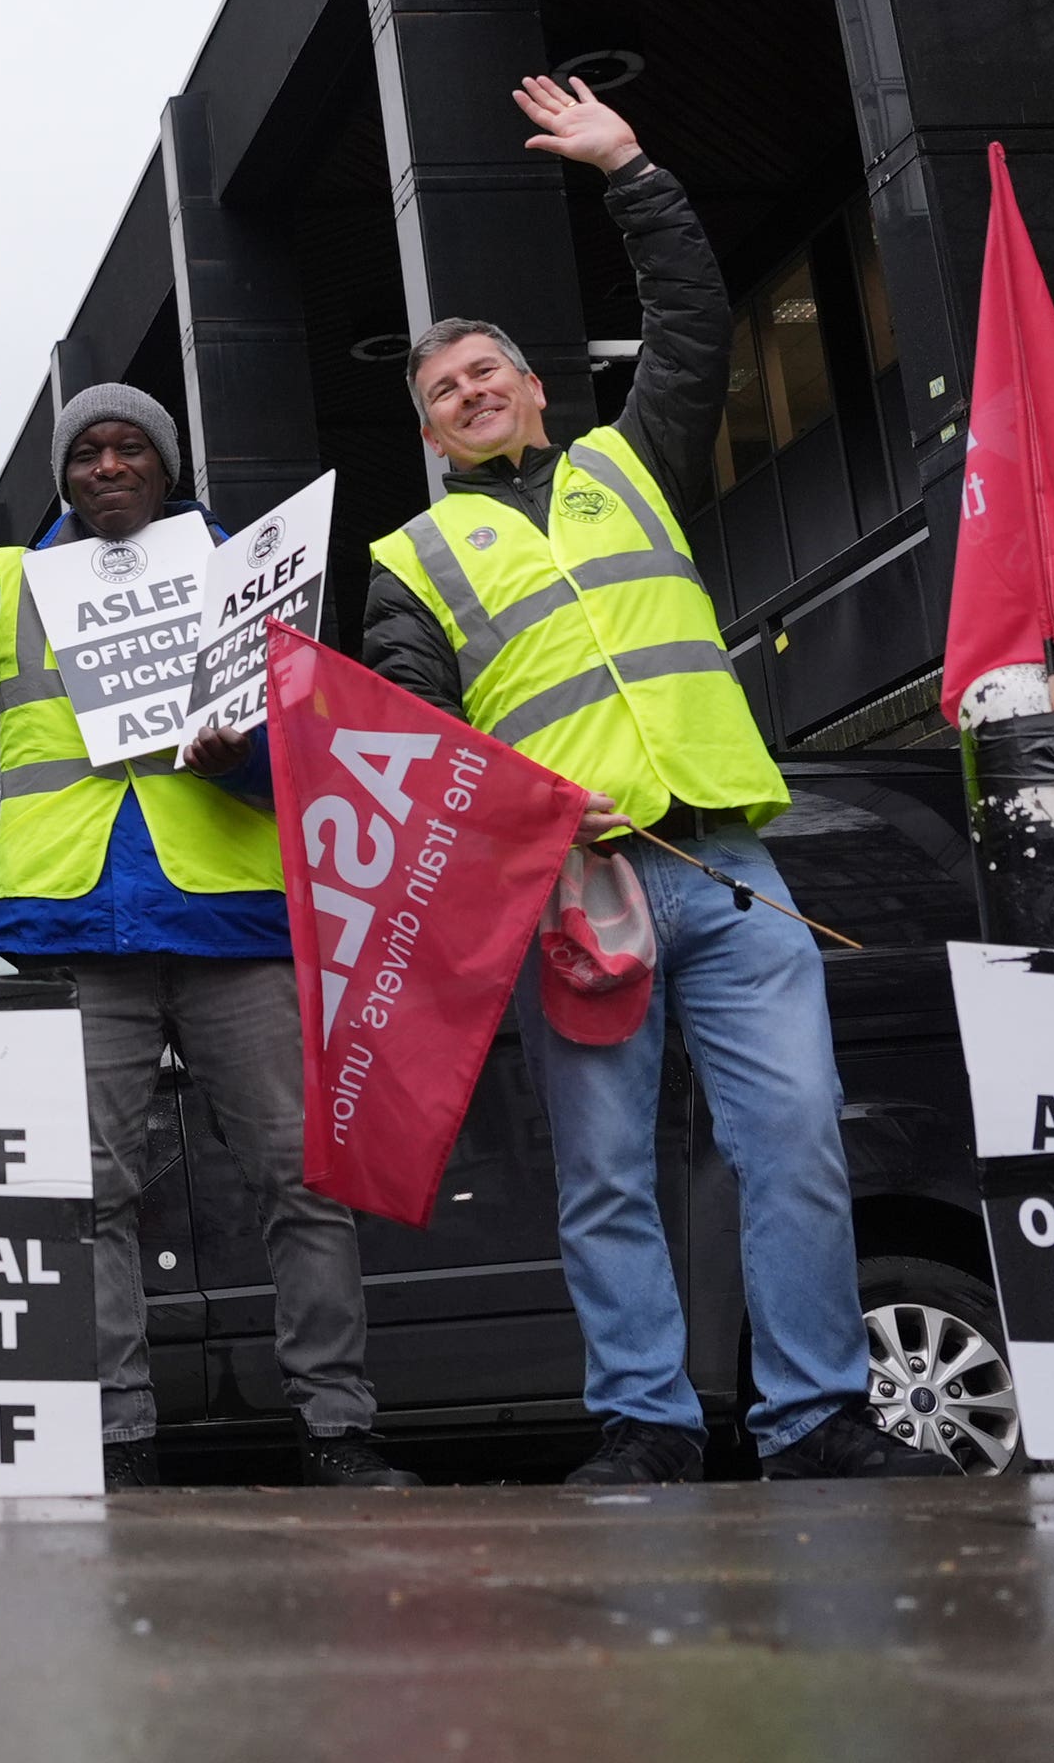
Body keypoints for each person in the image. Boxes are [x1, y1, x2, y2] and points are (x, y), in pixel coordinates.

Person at [360, 74, 956, 1485]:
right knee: (607, 1179)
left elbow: (691, 318)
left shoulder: (633, 461)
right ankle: (648, 1424)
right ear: (434, 435)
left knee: (799, 1146)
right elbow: (410, 741)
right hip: (579, 899)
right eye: (443, 392)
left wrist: (628, 164)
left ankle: (816, 1419)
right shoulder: (411, 562)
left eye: (485, 371)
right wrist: (528, 813)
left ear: (533, 386)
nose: (469, 390)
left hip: (732, 875)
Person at [0, 374, 417, 1490]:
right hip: (79, 923)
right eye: (86, 453)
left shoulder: (251, 579)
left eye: (130, 449)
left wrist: (247, 755)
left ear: (166, 468)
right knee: (84, 1195)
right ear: (63, 476)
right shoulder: (13, 585)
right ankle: (118, 1438)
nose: (107, 466)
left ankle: (336, 1428)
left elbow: (309, 763)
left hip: (230, 921)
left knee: (301, 1183)